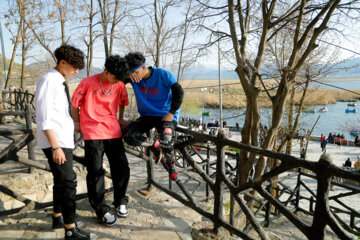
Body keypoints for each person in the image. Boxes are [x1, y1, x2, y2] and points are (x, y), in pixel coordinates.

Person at [35, 45, 96, 240]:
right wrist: (56, 146)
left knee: (61, 182)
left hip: (63, 140)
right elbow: (43, 117)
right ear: (62, 62)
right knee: (68, 183)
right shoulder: (47, 81)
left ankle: (58, 217)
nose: (76, 71)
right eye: (74, 67)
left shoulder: (59, 80)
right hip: (56, 142)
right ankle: (71, 229)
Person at [71, 55, 131, 226]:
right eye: (115, 78)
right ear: (106, 72)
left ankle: (120, 200)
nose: (117, 81)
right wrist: (77, 122)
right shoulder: (88, 82)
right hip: (92, 131)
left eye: (120, 79)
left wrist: (120, 118)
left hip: (112, 130)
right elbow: (75, 104)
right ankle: (100, 208)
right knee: (95, 169)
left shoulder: (119, 83)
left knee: (122, 166)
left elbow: (123, 101)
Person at [122, 52, 184, 181]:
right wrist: (125, 76)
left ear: (144, 67)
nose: (133, 76)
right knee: (129, 136)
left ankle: (171, 166)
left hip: (165, 115)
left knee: (167, 139)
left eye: (135, 72)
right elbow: (116, 81)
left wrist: (172, 112)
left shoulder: (163, 74)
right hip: (146, 115)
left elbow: (179, 91)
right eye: (130, 73)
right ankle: (154, 145)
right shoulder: (131, 77)